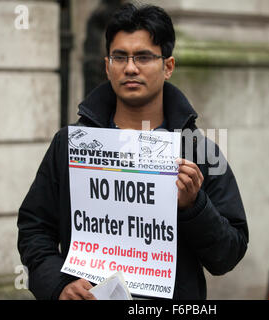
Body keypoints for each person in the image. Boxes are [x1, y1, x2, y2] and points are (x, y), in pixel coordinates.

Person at [17, 3, 248, 300]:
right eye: (120, 57)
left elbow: (229, 254)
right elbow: (35, 228)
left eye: (143, 57)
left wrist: (194, 206)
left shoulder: (198, 152)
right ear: (107, 66)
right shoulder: (70, 145)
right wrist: (57, 284)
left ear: (168, 66)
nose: (130, 68)